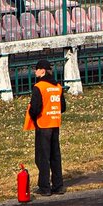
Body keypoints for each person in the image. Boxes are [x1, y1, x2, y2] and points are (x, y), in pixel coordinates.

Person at [24, 58, 67, 195]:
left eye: (36, 69)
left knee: (42, 157)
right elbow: (63, 107)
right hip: (55, 123)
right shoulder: (57, 87)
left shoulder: (39, 87)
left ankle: (44, 187)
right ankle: (58, 186)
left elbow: (35, 108)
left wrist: (31, 112)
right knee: (55, 156)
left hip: (43, 125)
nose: (35, 71)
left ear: (42, 70)